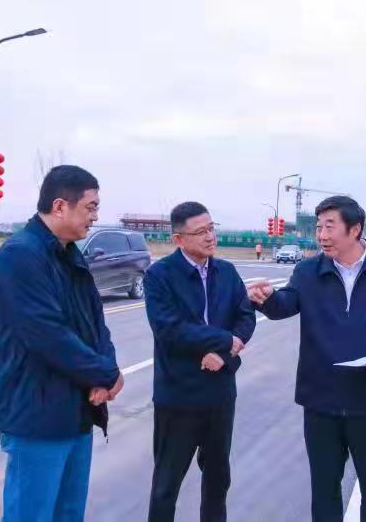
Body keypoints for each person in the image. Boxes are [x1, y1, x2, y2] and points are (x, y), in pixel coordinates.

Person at [247, 196, 366, 522]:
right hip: (321, 401)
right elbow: (285, 304)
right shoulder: (308, 271)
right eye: (319, 227)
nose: (322, 235)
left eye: (330, 226)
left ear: (355, 229)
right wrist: (266, 299)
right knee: (324, 487)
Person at [0, 165, 124, 522]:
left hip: (76, 410)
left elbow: (95, 323)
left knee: (68, 513)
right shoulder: (20, 255)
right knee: (31, 515)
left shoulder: (69, 254)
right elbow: (47, 334)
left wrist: (106, 372)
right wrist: (105, 374)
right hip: (37, 414)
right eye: (91, 207)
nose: (95, 216)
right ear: (60, 206)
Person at [144, 202, 256, 522]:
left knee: (218, 479)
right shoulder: (160, 276)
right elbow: (169, 328)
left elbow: (245, 318)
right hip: (179, 395)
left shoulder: (227, 272)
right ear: (179, 239)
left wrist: (222, 354)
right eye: (200, 232)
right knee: (167, 484)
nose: (210, 237)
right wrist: (221, 341)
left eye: (211, 228)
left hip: (220, 394)